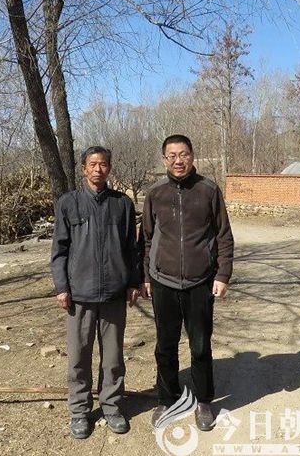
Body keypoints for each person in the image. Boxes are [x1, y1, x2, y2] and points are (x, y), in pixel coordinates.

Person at [140, 134, 234, 432]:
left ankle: (204, 400)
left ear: (192, 155)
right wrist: (146, 276)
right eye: (172, 155)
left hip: (200, 282)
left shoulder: (208, 190)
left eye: (183, 154)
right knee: (165, 346)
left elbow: (223, 235)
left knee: (200, 345)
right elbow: (146, 239)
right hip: (163, 282)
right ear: (164, 159)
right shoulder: (156, 193)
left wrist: (222, 274)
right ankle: (167, 399)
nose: (178, 161)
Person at [51, 146, 141, 439]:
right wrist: (62, 287)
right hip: (80, 295)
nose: (98, 169)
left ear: (109, 168)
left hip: (114, 294)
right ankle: (79, 411)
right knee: (79, 358)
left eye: (103, 164)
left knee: (113, 359)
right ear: (84, 169)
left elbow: (132, 249)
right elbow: (59, 249)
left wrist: (133, 282)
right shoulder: (69, 203)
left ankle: (112, 407)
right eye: (92, 164)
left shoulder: (122, 204)